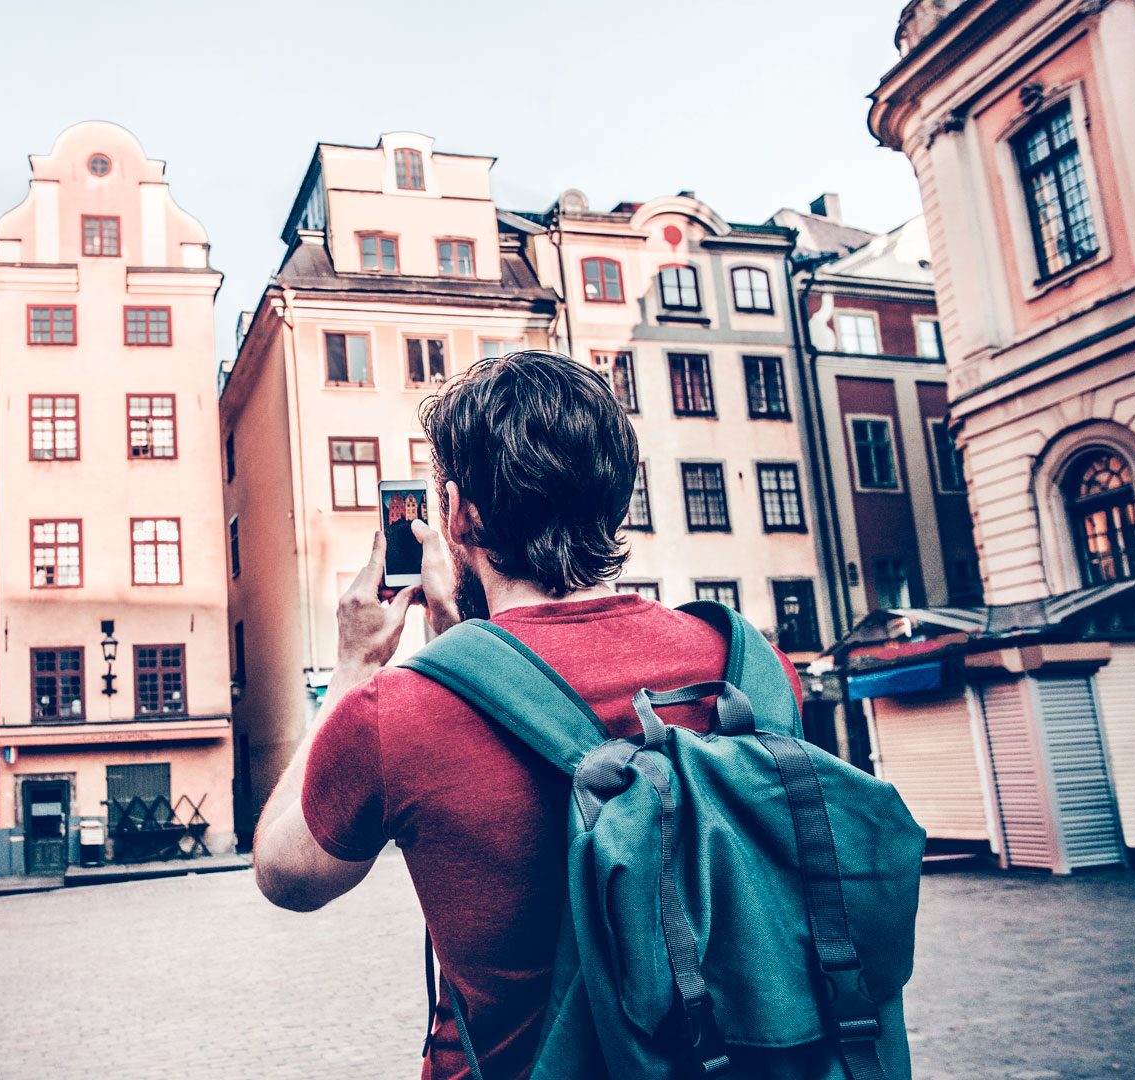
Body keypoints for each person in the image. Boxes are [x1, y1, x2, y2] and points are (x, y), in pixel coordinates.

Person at [251, 351, 801, 1080]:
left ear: (458, 512)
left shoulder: (401, 710)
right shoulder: (752, 666)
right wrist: (465, 648)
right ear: (617, 496)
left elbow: (286, 875)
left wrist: (354, 667)